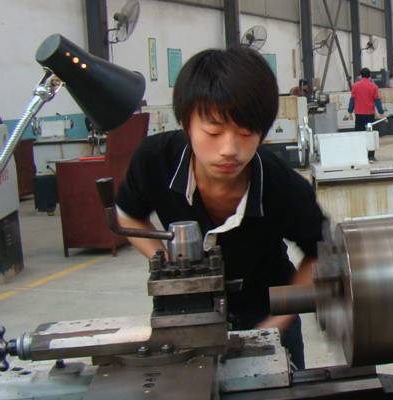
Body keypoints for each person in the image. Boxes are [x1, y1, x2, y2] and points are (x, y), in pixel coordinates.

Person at [115, 47, 325, 370]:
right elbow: (129, 215)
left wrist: (280, 318)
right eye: (213, 131)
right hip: (183, 314)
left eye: (246, 133)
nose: (229, 149)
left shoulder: (282, 186)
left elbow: (320, 253)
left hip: (264, 311)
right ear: (186, 123)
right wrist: (168, 262)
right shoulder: (155, 160)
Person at [348, 67, 385, 161]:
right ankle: (371, 156)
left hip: (359, 114)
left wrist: (350, 111)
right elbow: (377, 101)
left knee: (359, 134)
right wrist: (381, 112)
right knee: (370, 135)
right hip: (369, 115)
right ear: (369, 76)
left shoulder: (355, 86)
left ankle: (360, 155)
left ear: (360, 75)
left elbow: (352, 100)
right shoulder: (374, 87)